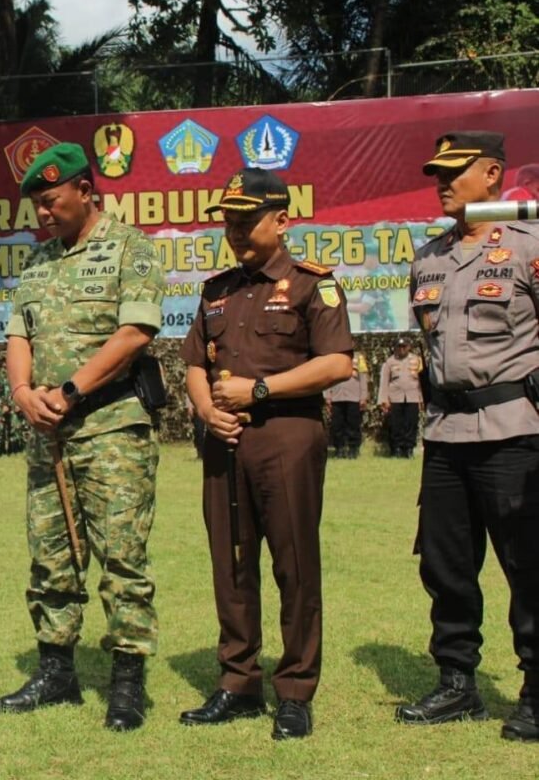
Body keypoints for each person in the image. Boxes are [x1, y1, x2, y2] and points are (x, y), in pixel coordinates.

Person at [0, 143, 165, 732]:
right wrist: (24, 394)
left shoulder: (130, 248)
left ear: (85, 191)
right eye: (36, 205)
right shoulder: (37, 264)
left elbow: (135, 331)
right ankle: (56, 672)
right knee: (51, 556)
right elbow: (20, 334)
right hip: (49, 434)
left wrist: (68, 392)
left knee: (122, 556)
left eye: (50, 201)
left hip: (111, 426)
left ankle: (126, 682)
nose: (41, 213)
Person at [179, 167, 353, 740]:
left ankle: (296, 691)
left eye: (247, 219)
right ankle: (238, 682)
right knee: (230, 564)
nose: (235, 229)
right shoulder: (217, 289)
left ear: (281, 220)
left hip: (288, 436)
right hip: (224, 442)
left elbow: (336, 364)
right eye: (229, 219)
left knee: (294, 565)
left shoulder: (312, 285)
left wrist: (258, 390)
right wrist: (206, 410)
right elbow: (195, 363)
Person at [396, 131, 539, 743]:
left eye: (456, 171)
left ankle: (536, 690)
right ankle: (457, 683)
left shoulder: (531, 247)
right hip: (446, 434)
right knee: (446, 564)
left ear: (493, 174)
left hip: (514, 430)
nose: (443, 181)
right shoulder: (427, 256)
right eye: (437, 172)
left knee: (528, 566)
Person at [378, 337, 424, 458]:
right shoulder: (390, 362)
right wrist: (384, 400)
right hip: (395, 398)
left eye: (404, 346)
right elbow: (384, 382)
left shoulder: (416, 360)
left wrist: (422, 399)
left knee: (411, 424)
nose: (402, 349)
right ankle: (396, 449)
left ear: (409, 347)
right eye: (399, 347)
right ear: (395, 348)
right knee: (395, 424)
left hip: (412, 397)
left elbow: (421, 381)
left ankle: (409, 449)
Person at [324, 352, 369, 458]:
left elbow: (363, 378)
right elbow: (327, 376)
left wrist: (363, 396)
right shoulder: (332, 357)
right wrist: (327, 395)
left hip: (353, 397)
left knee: (353, 424)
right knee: (337, 425)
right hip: (336, 396)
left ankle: (353, 449)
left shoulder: (359, 358)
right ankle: (339, 448)